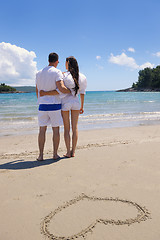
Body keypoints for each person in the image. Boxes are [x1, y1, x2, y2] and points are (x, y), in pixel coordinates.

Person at [40, 56, 87, 158]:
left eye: (65, 62)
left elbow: (60, 89)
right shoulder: (82, 76)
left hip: (65, 103)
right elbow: (82, 93)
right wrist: (82, 107)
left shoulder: (64, 75)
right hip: (76, 103)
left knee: (67, 129)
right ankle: (73, 151)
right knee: (75, 128)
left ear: (68, 63)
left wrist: (45, 93)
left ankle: (68, 152)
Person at [36, 52, 70, 161]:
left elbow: (37, 90)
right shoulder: (57, 72)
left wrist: (41, 98)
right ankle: (55, 154)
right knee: (55, 130)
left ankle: (40, 155)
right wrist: (70, 91)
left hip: (42, 105)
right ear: (57, 61)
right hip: (54, 105)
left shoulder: (39, 73)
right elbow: (61, 88)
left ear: (48, 60)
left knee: (42, 130)